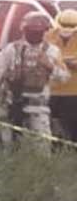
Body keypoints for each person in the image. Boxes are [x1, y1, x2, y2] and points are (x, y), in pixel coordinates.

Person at [0, 12, 68, 149]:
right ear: (24, 30)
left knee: (41, 147)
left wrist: (49, 66)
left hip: (38, 107)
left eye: (38, 32)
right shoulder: (11, 49)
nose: (35, 34)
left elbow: (64, 77)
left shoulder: (52, 51)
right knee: (8, 146)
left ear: (44, 32)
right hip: (12, 105)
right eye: (31, 31)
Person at [45, 9, 77, 140]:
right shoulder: (48, 36)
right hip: (50, 90)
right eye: (64, 27)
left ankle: (69, 154)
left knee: (71, 127)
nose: (67, 30)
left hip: (73, 92)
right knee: (47, 126)